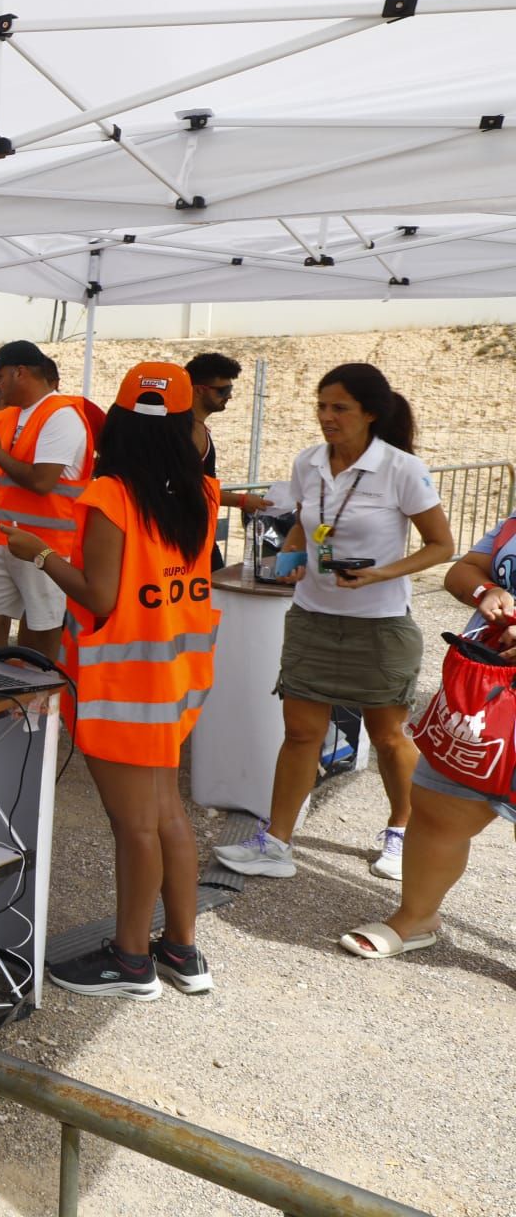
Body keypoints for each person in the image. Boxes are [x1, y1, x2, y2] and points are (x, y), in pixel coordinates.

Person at [6, 363, 220, 1000]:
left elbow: (99, 594)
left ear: (118, 422)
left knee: (136, 825)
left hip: (125, 684)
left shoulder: (110, 495)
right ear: (185, 423)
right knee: (164, 814)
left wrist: (37, 553)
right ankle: (181, 949)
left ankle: (131, 961)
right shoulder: (202, 493)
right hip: (177, 677)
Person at [215, 363, 453, 882]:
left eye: (339, 408)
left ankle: (402, 831)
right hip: (313, 617)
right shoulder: (309, 462)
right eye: (322, 406)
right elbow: (307, 526)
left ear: (370, 413)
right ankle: (276, 843)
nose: (327, 417)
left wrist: (381, 575)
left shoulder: (401, 468)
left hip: (380, 621)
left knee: (387, 735)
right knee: (301, 734)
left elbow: (443, 545)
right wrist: (290, 559)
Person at [340, 518, 516, 959]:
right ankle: (416, 917)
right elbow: (464, 570)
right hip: (484, 693)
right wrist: (486, 592)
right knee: (440, 808)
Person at [0, 340, 96, 662]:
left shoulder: (61, 416)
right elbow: (13, 479)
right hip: (4, 538)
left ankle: (40, 698)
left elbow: (42, 482)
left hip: (46, 544)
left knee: (41, 629)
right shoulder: (15, 416)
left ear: (20, 372)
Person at [184, 353, 270, 570]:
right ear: (199, 390)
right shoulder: (192, 431)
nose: (229, 396)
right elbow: (189, 488)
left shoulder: (192, 427)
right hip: (190, 536)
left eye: (230, 390)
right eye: (223, 390)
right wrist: (242, 500)